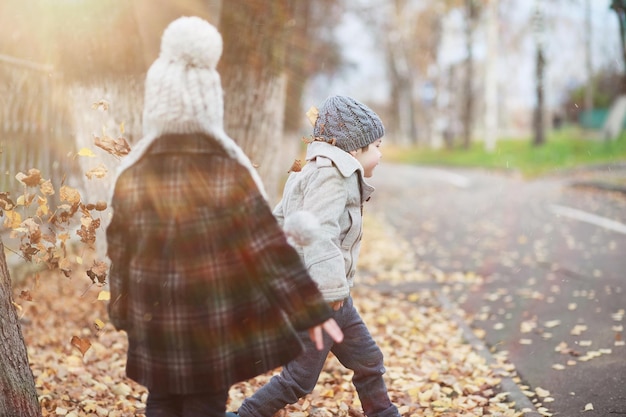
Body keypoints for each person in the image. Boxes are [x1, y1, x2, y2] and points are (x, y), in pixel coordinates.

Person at [105, 16, 342, 417]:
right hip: (211, 322)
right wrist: (311, 310)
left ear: (155, 102)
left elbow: (118, 250)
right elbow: (266, 245)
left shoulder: (134, 172)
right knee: (205, 406)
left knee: (160, 400)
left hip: (156, 322)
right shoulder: (228, 171)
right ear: (210, 102)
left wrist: (123, 310)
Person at [233, 95, 401, 417]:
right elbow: (319, 232)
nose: (380, 154)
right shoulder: (331, 177)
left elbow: (282, 222)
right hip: (321, 299)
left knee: (368, 360)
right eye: (377, 146)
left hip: (332, 298)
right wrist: (330, 289)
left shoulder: (313, 171)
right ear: (354, 149)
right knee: (299, 380)